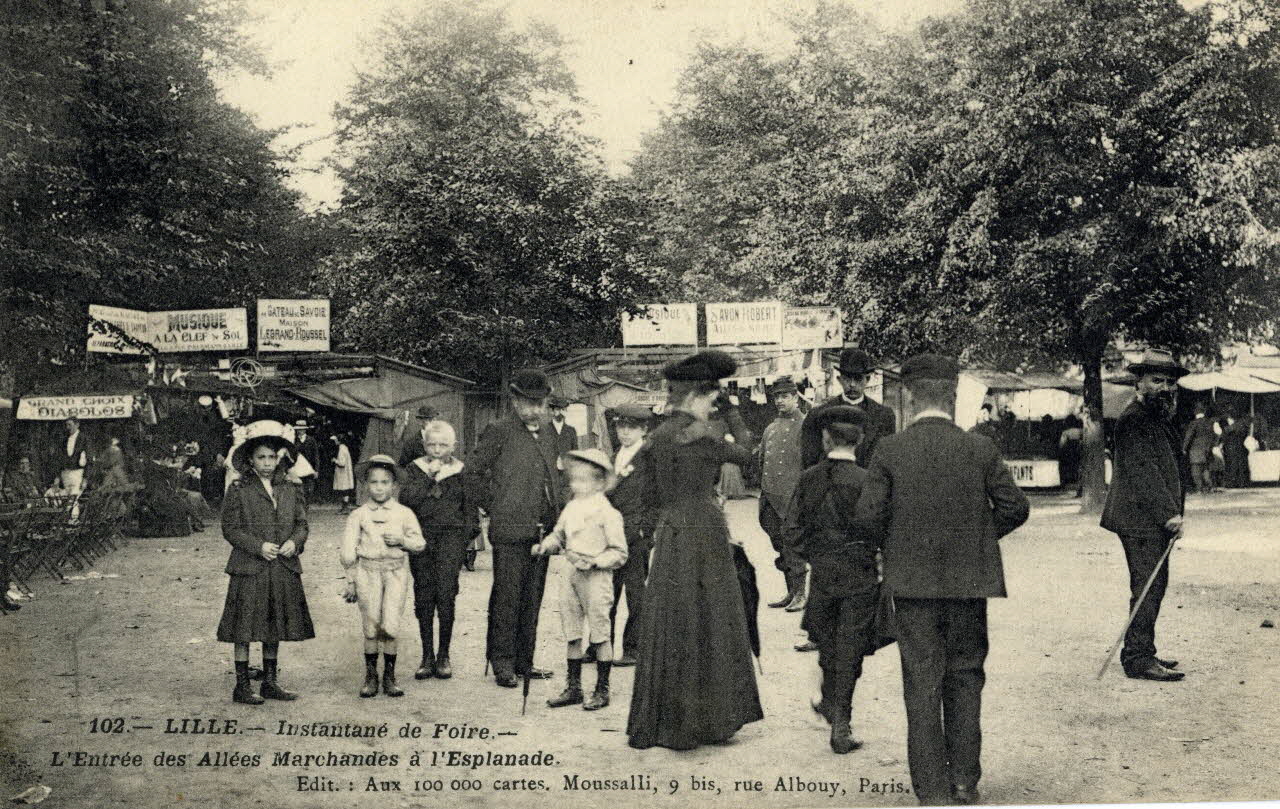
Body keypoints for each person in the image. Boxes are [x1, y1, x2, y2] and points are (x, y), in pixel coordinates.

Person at [854, 353, 1029, 806]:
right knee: (967, 676)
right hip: (971, 583)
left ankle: (931, 789)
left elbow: (868, 517)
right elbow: (1015, 508)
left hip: (912, 586)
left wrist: (897, 546)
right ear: (953, 396)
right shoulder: (981, 449)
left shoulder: (889, 450)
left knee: (921, 681)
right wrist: (976, 539)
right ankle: (964, 782)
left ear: (909, 396)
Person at [626, 349, 763, 751]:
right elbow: (747, 454)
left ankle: (672, 723)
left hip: (672, 534)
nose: (711, 406)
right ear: (694, 397)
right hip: (704, 529)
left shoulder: (656, 437)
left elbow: (648, 496)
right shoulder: (704, 435)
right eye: (710, 399)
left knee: (674, 620)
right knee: (713, 620)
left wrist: (651, 534)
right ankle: (713, 719)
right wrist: (734, 413)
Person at [783, 405, 887, 754]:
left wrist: (813, 556)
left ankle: (830, 705)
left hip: (824, 575)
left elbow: (792, 530)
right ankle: (841, 725)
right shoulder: (867, 480)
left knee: (827, 642)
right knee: (851, 649)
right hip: (859, 575)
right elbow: (882, 528)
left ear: (826, 438)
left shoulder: (808, 478)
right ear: (860, 440)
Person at [466, 368, 563, 688]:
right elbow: (473, 474)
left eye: (541, 403)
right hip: (509, 530)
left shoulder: (549, 432)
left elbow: (552, 477)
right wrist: (496, 506)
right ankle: (503, 662)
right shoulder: (499, 430)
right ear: (515, 401)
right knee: (507, 597)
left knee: (533, 598)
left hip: (541, 530)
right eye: (528, 403)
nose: (535, 410)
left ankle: (525, 661)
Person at [1101, 348, 1192, 682]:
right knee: (1148, 586)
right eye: (1156, 380)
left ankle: (1141, 651)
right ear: (1139, 382)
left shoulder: (1156, 417)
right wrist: (1169, 514)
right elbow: (1144, 472)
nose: (1164, 387)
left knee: (1154, 584)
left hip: (1151, 519)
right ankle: (1138, 658)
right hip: (1141, 519)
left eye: (1169, 381)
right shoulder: (1135, 418)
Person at [216, 421, 314, 705]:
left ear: (280, 458)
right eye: (261, 457)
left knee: (274, 623)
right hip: (250, 566)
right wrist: (257, 546)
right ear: (250, 459)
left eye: (272, 457)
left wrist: (295, 543)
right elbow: (230, 528)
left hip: (282, 566)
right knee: (243, 625)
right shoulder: (239, 489)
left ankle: (270, 681)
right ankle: (242, 685)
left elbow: (302, 523)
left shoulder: (291, 488)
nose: (268, 463)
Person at [534, 449, 628, 711]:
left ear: (600, 483)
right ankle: (574, 687)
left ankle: (602, 688)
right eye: (574, 480)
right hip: (571, 574)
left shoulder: (608, 513)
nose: (576, 485)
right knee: (572, 632)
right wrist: (546, 545)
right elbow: (558, 534)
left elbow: (620, 553)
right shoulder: (572, 507)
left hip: (596, 578)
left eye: (584, 480)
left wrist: (597, 561)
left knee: (599, 634)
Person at [340, 455, 426, 698]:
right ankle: (371, 676)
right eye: (374, 482)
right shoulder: (358, 515)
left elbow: (419, 543)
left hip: (396, 572)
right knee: (371, 626)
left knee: (390, 625)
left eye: (385, 482)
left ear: (394, 485)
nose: (379, 487)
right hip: (368, 572)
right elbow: (348, 550)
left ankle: (390, 676)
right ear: (366, 484)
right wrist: (351, 579)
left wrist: (402, 541)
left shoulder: (404, 513)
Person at [399, 419, 474, 681]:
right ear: (424, 445)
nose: (438, 449)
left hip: (451, 541)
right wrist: (428, 477)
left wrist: (464, 539)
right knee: (424, 595)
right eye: (432, 444)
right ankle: (426, 655)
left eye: (443, 445)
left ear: (453, 446)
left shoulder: (461, 471)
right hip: (422, 540)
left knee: (446, 595)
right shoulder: (415, 469)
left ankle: (444, 655)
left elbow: (469, 509)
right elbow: (406, 502)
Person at [605, 404, 656, 667]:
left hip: (636, 533)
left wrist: (646, 529)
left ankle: (633, 647)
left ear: (643, 430)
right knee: (606, 592)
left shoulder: (649, 457)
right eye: (620, 427)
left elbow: (657, 498)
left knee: (635, 593)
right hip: (611, 535)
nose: (624, 432)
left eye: (631, 427)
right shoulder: (616, 455)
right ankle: (601, 645)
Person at [755, 378, 809, 612]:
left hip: (792, 497)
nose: (780, 401)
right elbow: (761, 461)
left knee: (794, 546)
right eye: (777, 396)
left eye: (785, 396)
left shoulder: (806, 426)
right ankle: (790, 591)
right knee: (780, 545)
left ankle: (801, 593)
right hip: (770, 497)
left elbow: (810, 465)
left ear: (796, 398)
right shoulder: (770, 428)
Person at [800, 347, 896, 470]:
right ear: (839, 379)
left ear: (867, 379)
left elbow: (887, 460)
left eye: (858, 378)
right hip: (832, 486)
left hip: (870, 486)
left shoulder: (884, 416)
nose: (852, 384)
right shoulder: (818, 415)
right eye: (847, 378)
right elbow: (810, 462)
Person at [1183, 401, 1217, 494]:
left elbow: (1188, 437)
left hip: (1196, 451)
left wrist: (1184, 448)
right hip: (1207, 450)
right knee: (1206, 470)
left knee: (1196, 471)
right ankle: (1210, 487)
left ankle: (1199, 489)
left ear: (1195, 412)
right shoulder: (1209, 422)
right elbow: (1214, 435)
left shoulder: (1194, 423)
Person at [54, 416, 89, 496]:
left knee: (74, 498)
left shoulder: (84, 439)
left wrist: (85, 479)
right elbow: (59, 458)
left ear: (77, 425)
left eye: (70, 425)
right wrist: (58, 477)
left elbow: (88, 460)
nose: (68, 427)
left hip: (77, 474)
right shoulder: (64, 439)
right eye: (66, 425)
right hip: (65, 474)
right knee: (67, 499)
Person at [1219, 405, 1251, 488]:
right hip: (1241, 447)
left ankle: (1232, 483)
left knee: (1232, 466)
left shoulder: (1231, 427)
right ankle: (1243, 483)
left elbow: (1223, 435)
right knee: (1242, 466)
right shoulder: (1242, 424)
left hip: (1231, 448)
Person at [293, 420, 321, 500]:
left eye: (301, 429)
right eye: (298, 429)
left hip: (309, 469)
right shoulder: (294, 440)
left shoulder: (311, 440)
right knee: (298, 489)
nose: (299, 431)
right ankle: (301, 509)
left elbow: (316, 455)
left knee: (309, 490)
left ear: (305, 430)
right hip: (297, 469)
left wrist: (316, 470)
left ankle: (305, 507)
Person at [332, 434, 355, 514]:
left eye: (336, 440)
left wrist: (335, 460)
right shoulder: (345, 448)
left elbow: (342, 463)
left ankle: (345, 508)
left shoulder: (341, 449)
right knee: (345, 490)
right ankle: (345, 507)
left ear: (339, 440)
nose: (335, 442)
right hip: (345, 473)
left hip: (343, 473)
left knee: (344, 490)